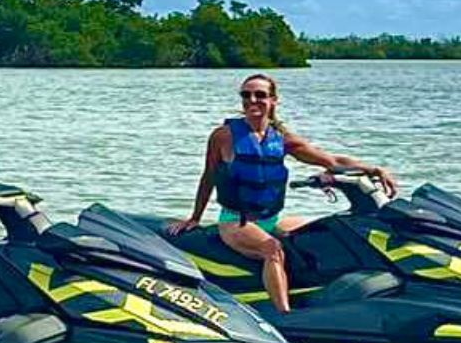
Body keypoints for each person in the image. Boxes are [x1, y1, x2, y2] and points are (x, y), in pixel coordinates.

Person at [168, 72, 398, 313]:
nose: (252, 100)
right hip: (236, 221)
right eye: (246, 95)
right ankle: (285, 314)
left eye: (260, 95)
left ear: (274, 100)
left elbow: (331, 160)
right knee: (272, 250)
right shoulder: (223, 136)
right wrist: (195, 217)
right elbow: (209, 176)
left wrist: (373, 169)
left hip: (272, 219)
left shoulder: (282, 138)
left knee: (324, 229)